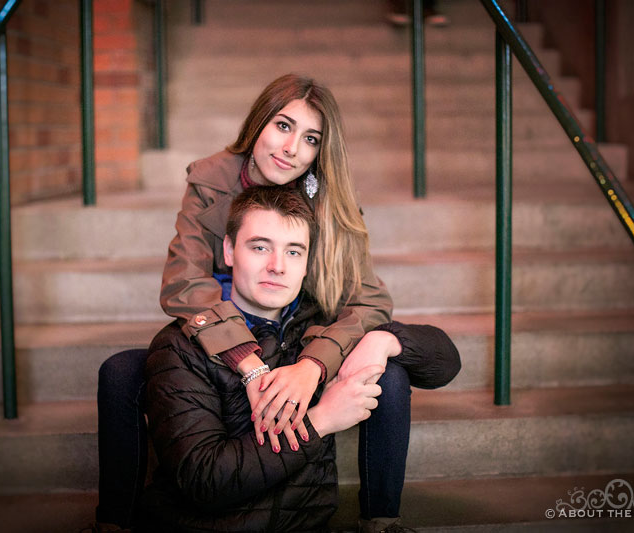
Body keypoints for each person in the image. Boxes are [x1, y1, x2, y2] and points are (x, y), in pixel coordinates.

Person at [95, 74, 451, 533]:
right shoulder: (212, 179)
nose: (292, 149)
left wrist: (315, 365)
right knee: (123, 372)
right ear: (259, 123)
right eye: (283, 126)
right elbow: (183, 282)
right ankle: (114, 522)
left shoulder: (331, 197)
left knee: (389, 375)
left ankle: (381, 519)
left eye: (310, 139)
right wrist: (248, 361)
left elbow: (370, 299)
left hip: (298, 334)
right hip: (221, 332)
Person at [137, 186, 461, 531]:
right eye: (260, 247)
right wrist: (322, 420)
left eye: (293, 252)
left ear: (307, 263)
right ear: (229, 251)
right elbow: (205, 481)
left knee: (390, 370)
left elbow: (445, 363)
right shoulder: (180, 345)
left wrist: (384, 340)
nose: (277, 266)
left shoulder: (324, 326)